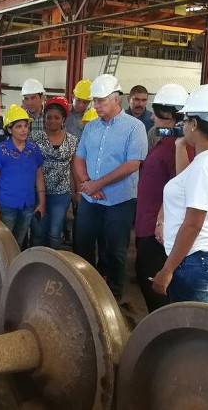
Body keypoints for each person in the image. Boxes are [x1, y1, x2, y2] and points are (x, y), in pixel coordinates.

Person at [151, 84, 208, 304]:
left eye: (187, 120)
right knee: (206, 324)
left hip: (197, 259)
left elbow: (193, 224)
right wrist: (181, 146)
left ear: (195, 124)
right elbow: (185, 181)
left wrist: (167, 269)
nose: (183, 125)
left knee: (191, 328)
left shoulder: (205, 166)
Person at [73, 74, 148, 301]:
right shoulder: (91, 127)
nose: (95, 106)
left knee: (115, 250)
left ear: (117, 99)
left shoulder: (135, 128)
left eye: (101, 101)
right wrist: (87, 183)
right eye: (94, 100)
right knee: (82, 244)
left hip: (119, 200)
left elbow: (133, 164)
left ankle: (113, 297)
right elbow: (79, 157)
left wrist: (99, 183)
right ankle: (87, 291)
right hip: (91, 198)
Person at [134, 83, 190, 313]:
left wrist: (162, 220)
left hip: (158, 226)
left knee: (152, 279)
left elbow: (181, 186)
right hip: (148, 220)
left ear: (168, 114)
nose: (153, 119)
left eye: (156, 114)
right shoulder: (168, 142)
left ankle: (162, 329)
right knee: (145, 273)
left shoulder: (179, 147)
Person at [0, 104, 46, 248]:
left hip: (28, 204)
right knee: (2, 243)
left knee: (18, 242)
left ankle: (14, 268)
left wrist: (42, 202)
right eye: (18, 127)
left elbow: (39, 177)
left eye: (25, 126)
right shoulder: (0, 150)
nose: (24, 130)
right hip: (6, 205)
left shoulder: (34, 149)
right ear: (9, 129)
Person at [30, 97, 78, 249]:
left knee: (54, 232)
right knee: (37, 231)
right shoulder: (34, 138)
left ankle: (52, 266)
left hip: (61, 193)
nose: (52, 121)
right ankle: (34, 264)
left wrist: (77, 192)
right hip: (38, 192)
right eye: (49, 117)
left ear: (63, 119)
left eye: (57, 118)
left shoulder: (72, 140)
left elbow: (73, 168)